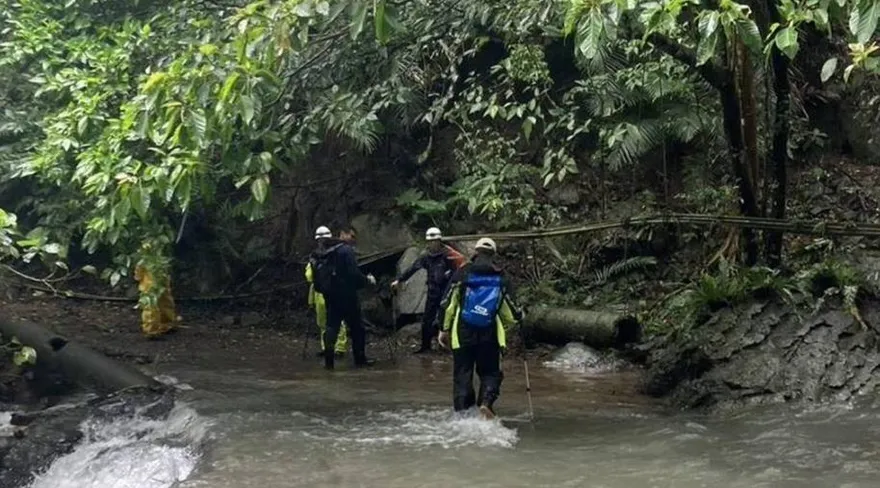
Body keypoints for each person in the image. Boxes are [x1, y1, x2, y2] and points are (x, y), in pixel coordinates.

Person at [438, 237, 521, 419]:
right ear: (493, 254)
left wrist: (444, 329)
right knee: (490, 372)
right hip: (489, 333)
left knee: (462, 374)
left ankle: (463, 415)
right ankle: (486, 403)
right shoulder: (501, 276)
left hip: (462, 332)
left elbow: (447, 303)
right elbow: (511, 314)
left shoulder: (463, 273)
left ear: (476, 252)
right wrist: (513, 321)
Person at [311, 224, 376, 370]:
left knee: (331, 327)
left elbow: (316, 279)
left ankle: (329, 363)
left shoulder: (319, 253)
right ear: (341, 234)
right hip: (347, 295)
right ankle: (360, 360)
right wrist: (367, 281)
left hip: (329, 296)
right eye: (351, 236)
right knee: (357, 328)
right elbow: (353, 273)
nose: (353, 239)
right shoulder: (345, 250)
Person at [391, 227, 464, 354]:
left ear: (439, 241)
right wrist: (399, 280)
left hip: (447, 291)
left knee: (446, 318)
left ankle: (447, 346)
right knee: (427, 319)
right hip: (433, 290)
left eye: (435, 241)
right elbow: (413, 268)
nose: (433, 244)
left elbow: (461, 267)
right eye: (430, 242)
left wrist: (455, 280)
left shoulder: (449, 254)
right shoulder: (426, 256)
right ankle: (425, 346)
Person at [306, 226, 349, 359]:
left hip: (333, 292)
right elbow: (310, 277)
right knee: (323, 322)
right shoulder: (316, 255)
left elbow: (310, 276)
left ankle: (339, 348)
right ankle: (328, 348)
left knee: (336, 321)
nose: (322, 241)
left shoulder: (336, 252)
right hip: (320, 293)